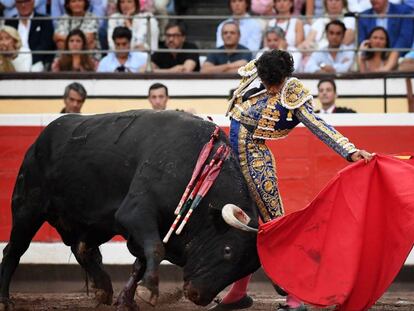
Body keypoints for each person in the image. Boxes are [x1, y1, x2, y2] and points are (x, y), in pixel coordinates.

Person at [209, 49, 373, 311]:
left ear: (285, 77)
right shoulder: (257, 71)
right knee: (241, 226)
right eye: (267, 82)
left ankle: (295, 298)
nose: (271, 88)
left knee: (276, 227)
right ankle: (238, 293)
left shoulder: (292, 92)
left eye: (275, 83)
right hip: (230, 156)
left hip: (256, 160)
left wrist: (349, 150)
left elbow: (318, 125)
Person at [5, 0, 55, 71]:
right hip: (14, 60)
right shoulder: (10, 22)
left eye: (26, 2)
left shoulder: (44, 20)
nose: (23, 5)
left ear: (33, 2)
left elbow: (46, 44)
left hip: (36, 61)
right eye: (20, 2)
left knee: (36, 69)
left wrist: (29, 59)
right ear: (15, 4)